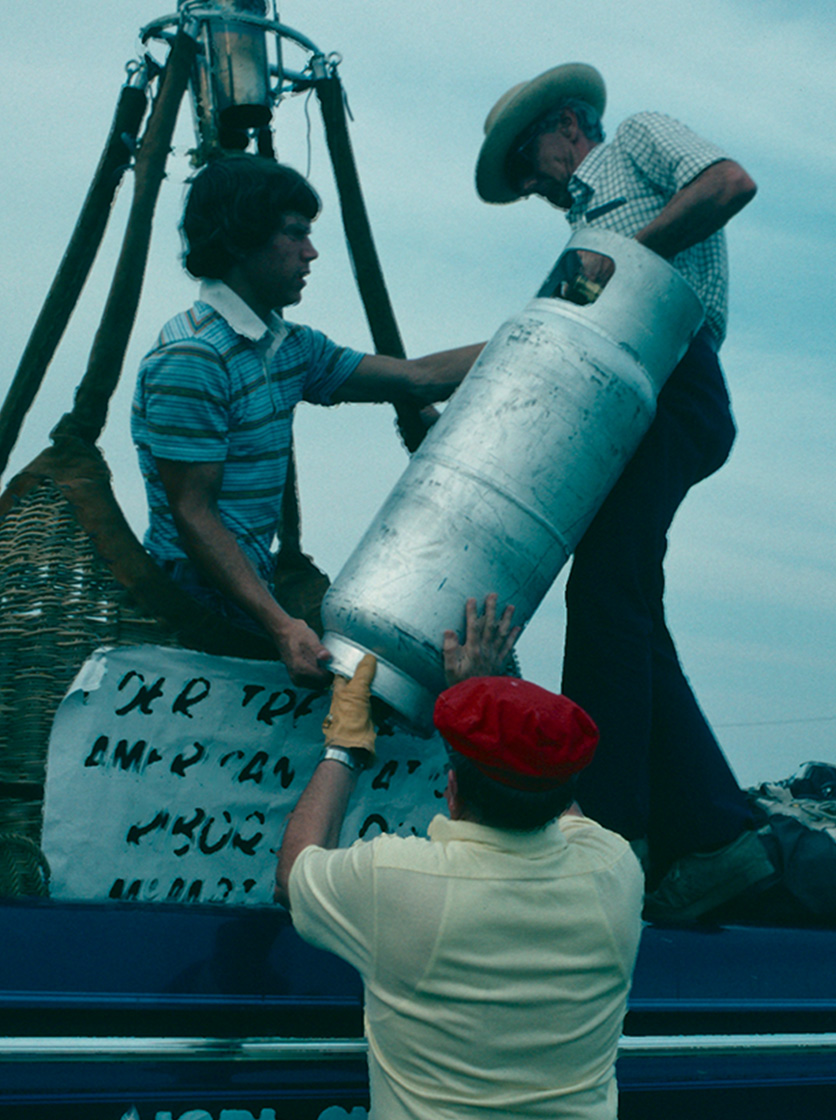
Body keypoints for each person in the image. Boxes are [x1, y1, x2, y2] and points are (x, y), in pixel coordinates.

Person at [474, 63, 773, 922]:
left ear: (569, 123)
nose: (530, 183)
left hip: (673, 382)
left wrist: (629, 260)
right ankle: (717, 841)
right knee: (626, 602)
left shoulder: (639, 138)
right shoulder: (578, 245)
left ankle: (615, 837)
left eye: (527, 160)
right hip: (618, 401)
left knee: (608, 591)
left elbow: (728, 182)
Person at [276, 594, 644, 1119]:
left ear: (450, 790)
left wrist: (346, 746)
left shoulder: (400, 882)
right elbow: (562, 804)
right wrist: (488, 697)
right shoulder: (615, 868)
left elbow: (292, 875)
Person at [132, 155, 482, 688]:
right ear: (244, 238)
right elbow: (194, 516)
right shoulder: (193, 356)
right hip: (194, 595)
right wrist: (279, 624)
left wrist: (538, 329)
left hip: (249, 582)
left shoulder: (290, 347)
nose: (311, 252)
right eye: (295, 234)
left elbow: (419, 378)